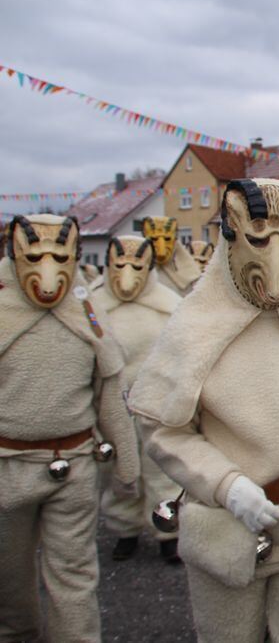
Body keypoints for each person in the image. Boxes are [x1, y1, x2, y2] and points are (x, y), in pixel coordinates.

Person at [130, 179, 279, 641]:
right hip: (223, 532)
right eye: (259, 237)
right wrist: (226, 485)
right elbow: (164, 427)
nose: (277, 258)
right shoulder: (196, 321)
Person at [0, 214, 140, 642]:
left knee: (75, 577)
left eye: (60, 256)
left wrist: (128, 465)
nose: (47, 272)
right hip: (7, 467)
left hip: (74, 465)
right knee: (8, 574)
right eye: (36, 256)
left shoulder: (86, 311)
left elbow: (108, 391)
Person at [92, 235, 184, 562]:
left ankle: (168, 533)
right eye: (119, 266)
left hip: (155, 403)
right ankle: (125, 530)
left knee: (162, 470)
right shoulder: (92, 305)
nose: (128, 274)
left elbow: (180, 353)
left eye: (135, 266)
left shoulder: (169, 304)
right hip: (113, 405)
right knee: (119, 471)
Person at [141, 216, 201, 295]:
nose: (161, 253)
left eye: (167, 239)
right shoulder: (139, 274)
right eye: (154, 239)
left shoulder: (193, 278)